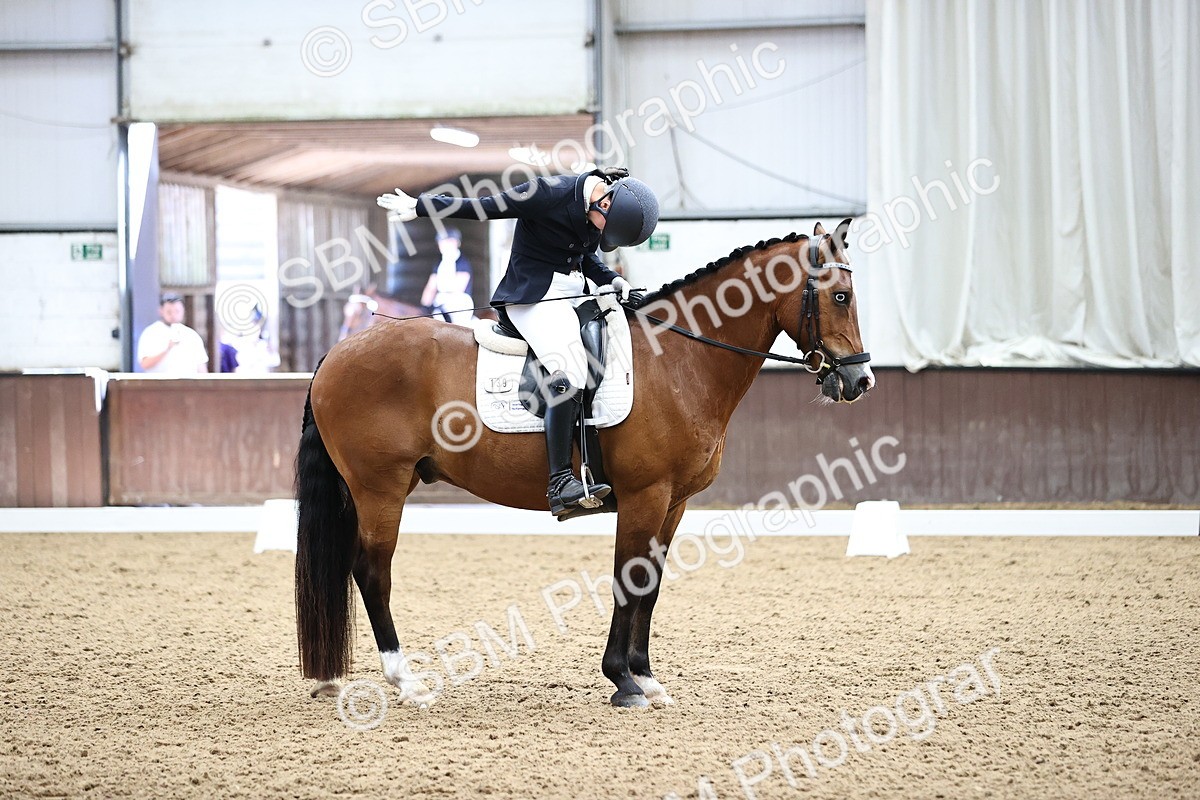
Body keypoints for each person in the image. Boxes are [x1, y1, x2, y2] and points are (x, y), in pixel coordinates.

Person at [378, 167, 659, 518]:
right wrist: (422, 206)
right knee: (570, 370)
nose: (600, 233)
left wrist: (612, 281)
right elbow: (486, 206)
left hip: (573, 293)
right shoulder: (547, 193)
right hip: (534, 298)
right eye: (605, 226)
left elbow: (585, 258)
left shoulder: (596, 209)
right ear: (604, 202)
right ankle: (560, 482)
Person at [137, 293, 208, 374]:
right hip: (159, 381)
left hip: (187, 381)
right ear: (161, 311)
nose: (173, 315)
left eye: (177, 311)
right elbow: (145, 364)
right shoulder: (150, 333)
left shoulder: (191, 335)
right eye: (169, 312)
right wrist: (167, 349)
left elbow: (201, 367)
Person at [419, 228, 475, 324]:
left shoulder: (462, 262)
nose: (444, 245)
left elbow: (459, 287)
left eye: (448, 241)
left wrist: (442, 301)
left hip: (458, 303)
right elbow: (431, 287)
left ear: (456, 243)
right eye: (442, 242)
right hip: (440, 302)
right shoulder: (439, 264)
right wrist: (424, 308)